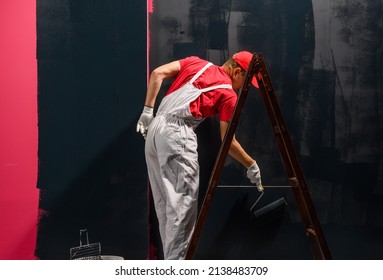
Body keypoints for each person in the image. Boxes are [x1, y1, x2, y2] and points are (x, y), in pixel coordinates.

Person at [136, 51, 262, 259]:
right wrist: (251, 165)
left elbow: (158, 73)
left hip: (155, 129)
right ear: (237, 71)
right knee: (182, 209)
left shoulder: (196, 63)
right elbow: (228, 142)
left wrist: (148, 111)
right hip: (178, 135)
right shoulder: (229, 95)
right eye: (245, 82)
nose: (243, 87)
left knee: (165, 206)